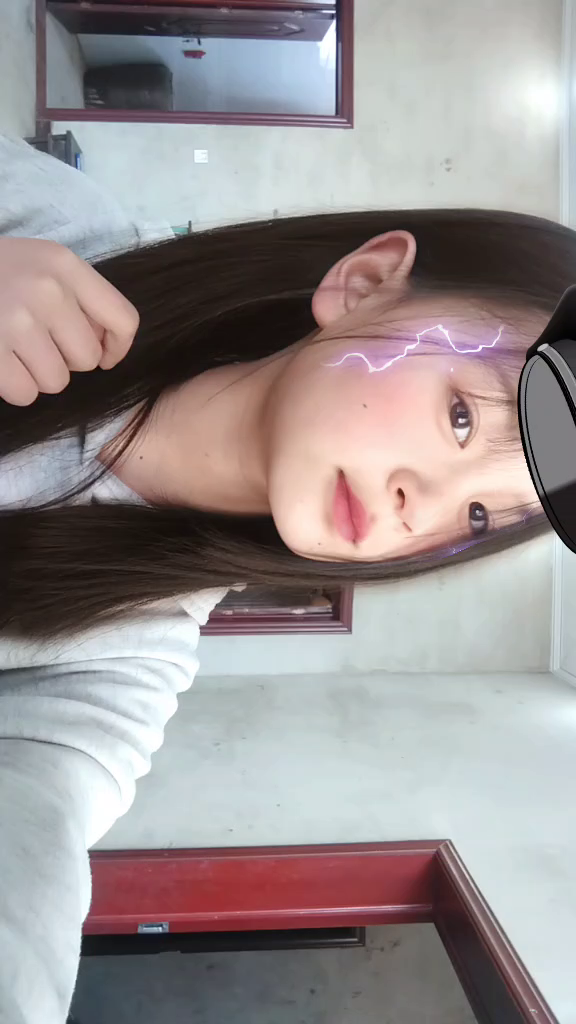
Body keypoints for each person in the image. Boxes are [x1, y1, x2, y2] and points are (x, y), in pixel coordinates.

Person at [0, 133, 571, 1022]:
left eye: (476, 517)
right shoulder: (58, 233)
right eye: (462, 417)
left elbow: (33, 839)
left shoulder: (111, 665)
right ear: (366, 283)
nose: (419, 506)